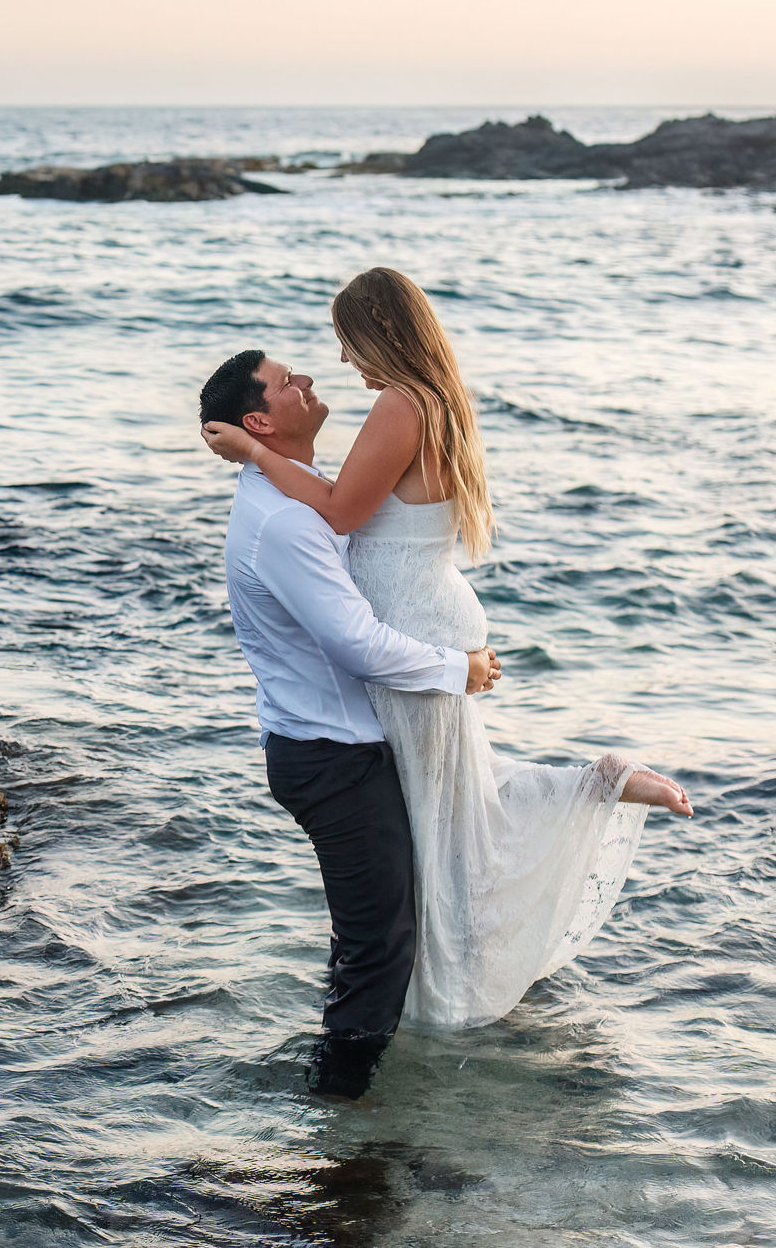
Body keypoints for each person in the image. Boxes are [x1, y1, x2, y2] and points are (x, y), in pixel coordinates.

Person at [203, 267, 691, 1048]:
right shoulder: (421, 401)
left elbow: (334, 508)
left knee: (452, 818)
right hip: (423, 614)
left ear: (380, 332)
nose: (342, 360)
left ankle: (589, 792)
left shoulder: (400, 405)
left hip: (415, 621)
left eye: (347, 342)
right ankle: (578, 807)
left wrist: (253, 456)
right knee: (451, 804)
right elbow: (337, 501)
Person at [201, 346, 502, 1099]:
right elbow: (356, 642)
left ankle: (341, 1101)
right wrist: (454, 669)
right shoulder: (285, 525)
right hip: (332, 758)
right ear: (260, 418)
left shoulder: (289, 499)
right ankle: (339, 1120)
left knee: (371, 937)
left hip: (333, 747)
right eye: (287, 382)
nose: (307, 380)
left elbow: (354, 535)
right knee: (381, 946)